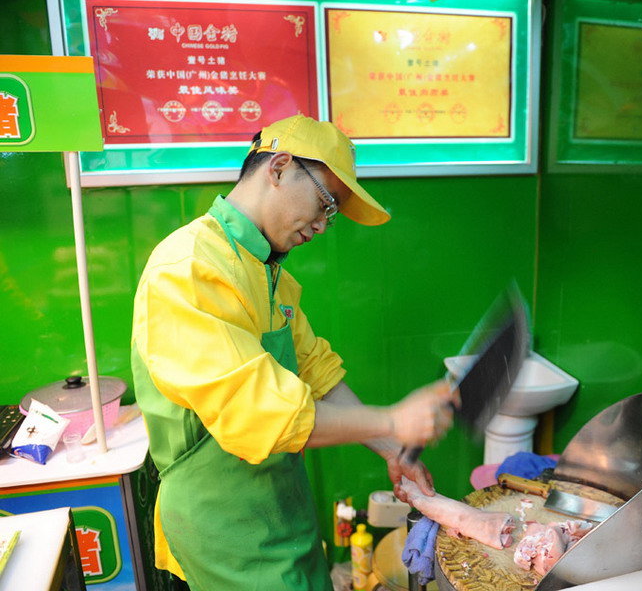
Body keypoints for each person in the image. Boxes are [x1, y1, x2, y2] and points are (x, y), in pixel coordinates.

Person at [131, 114, 454, 590]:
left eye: (333, 214)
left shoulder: (266, 271)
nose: (324, 225)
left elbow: (316, 371)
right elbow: (261, 412)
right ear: (279, 168)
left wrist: (394, 449)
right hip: (228, 533)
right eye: (325, 202)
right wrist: (392, 419)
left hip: (286, 512)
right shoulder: (188, 270)